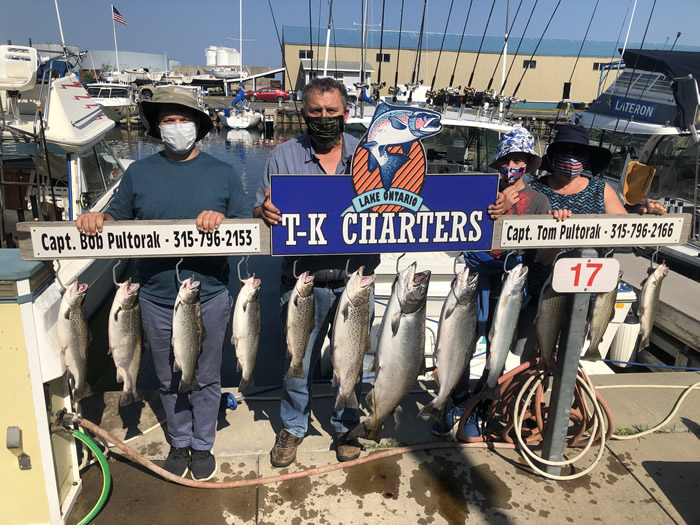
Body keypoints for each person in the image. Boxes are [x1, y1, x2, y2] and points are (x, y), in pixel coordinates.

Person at [77, 86, 249, 481]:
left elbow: (247, 228)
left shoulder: (222, 174)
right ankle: (179, 439)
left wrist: (223, 222)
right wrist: (97, 220)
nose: (175, 126)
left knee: (206, 376)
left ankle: (203, 443)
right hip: (152, 296)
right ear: (157, 128)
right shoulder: (139, 172)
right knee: (167, 375)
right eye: (167, 120)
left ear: (198, 126)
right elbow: (116, 219)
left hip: (210, 295)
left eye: (182, 119)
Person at [254, 77, 380, 467]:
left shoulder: (371, 157)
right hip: (300, 284)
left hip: (352, 284)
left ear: (345, 112)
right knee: (297, 361)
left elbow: (407, 206)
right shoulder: (283, 157)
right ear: (303, 114)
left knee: (353, 358)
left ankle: (345, 424)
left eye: (331, 111)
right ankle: (293, 427)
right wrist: (262, 212)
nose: (323, 118)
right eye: (315, 112)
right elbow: (260, 210)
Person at [433, 128, 563, 438]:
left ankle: (481, 403)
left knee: (498, 346)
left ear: (528, 164)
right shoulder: (480, 191)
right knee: (459, 343)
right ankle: (456, 398)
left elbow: (544, 259)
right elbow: (458, 235)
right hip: (474, 282)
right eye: (506, 159)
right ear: (498, 162)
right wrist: (495, 209)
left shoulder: (539, 201)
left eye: (518, 160)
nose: (511, 166)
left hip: (512, 285)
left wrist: (557, 230)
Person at [530, 124, 666, 216]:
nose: (571, 157)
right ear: (553, 156)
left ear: (587, 158)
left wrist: (645, 213)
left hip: (592, 259)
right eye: (564, 151)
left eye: (578, 152)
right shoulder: (533, 190)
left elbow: (623, 225)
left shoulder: (600, 189)